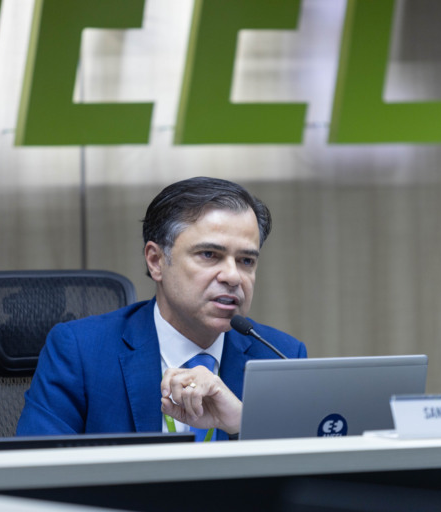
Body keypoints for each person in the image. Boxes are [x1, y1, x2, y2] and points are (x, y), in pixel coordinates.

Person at [17, 177, 307, 441]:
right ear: (156, 261)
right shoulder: (81, 352)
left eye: (246, 261)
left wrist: (243, 425)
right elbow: (36, 469)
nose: (233, 277)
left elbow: (307, 471)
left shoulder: (280, 357)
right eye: (209, 254)